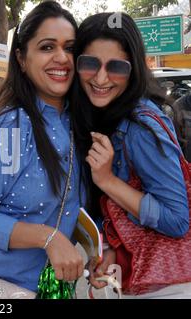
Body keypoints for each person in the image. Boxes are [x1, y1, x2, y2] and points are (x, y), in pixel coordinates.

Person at [0, 1, 85, 294]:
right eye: (47, 47)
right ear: (22, 59)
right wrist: (48, 238)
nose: (61, 57)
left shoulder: (76, 122)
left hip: (50, 286)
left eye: (70, 47)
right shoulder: (6, 126)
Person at [70, 12, 190, 298]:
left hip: (167, 287)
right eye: (89, 63)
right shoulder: (96, 118)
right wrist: (108, 247)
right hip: (132, 279)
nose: (100, 78)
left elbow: (177, 220)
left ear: (133, 69)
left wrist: (108, 179)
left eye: (116, 67)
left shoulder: (140, 127)